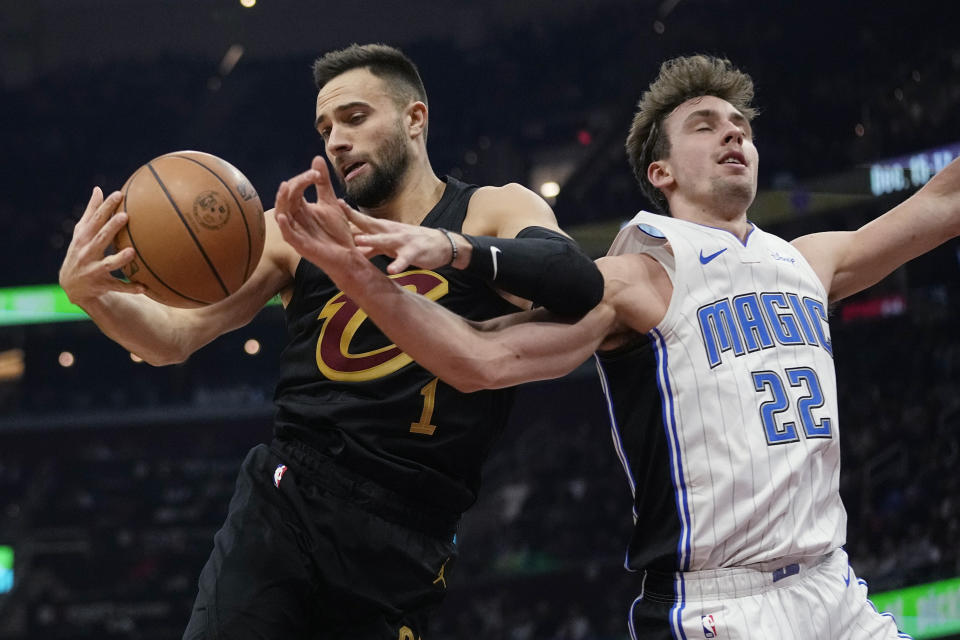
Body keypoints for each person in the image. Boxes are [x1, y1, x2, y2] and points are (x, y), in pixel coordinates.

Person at [274, 54, 960, 639]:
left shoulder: (812, 260)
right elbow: (481, 360)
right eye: (705, 125)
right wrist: (359, 278)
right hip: (721, 606)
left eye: (741, 127)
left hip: (834, 586)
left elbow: (939, 202)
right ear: (660, 172)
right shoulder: (637, 277)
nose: (733, 134)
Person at [58, 43, 602, 639]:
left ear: (415, 119)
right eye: (325, 127)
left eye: (355, 118)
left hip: (413, 528)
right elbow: (173, 337)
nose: (336, 140)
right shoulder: (296, 232)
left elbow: (577, 282)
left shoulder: (491, 210)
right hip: (291, 500)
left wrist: (451, 248)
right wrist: (91, 292)